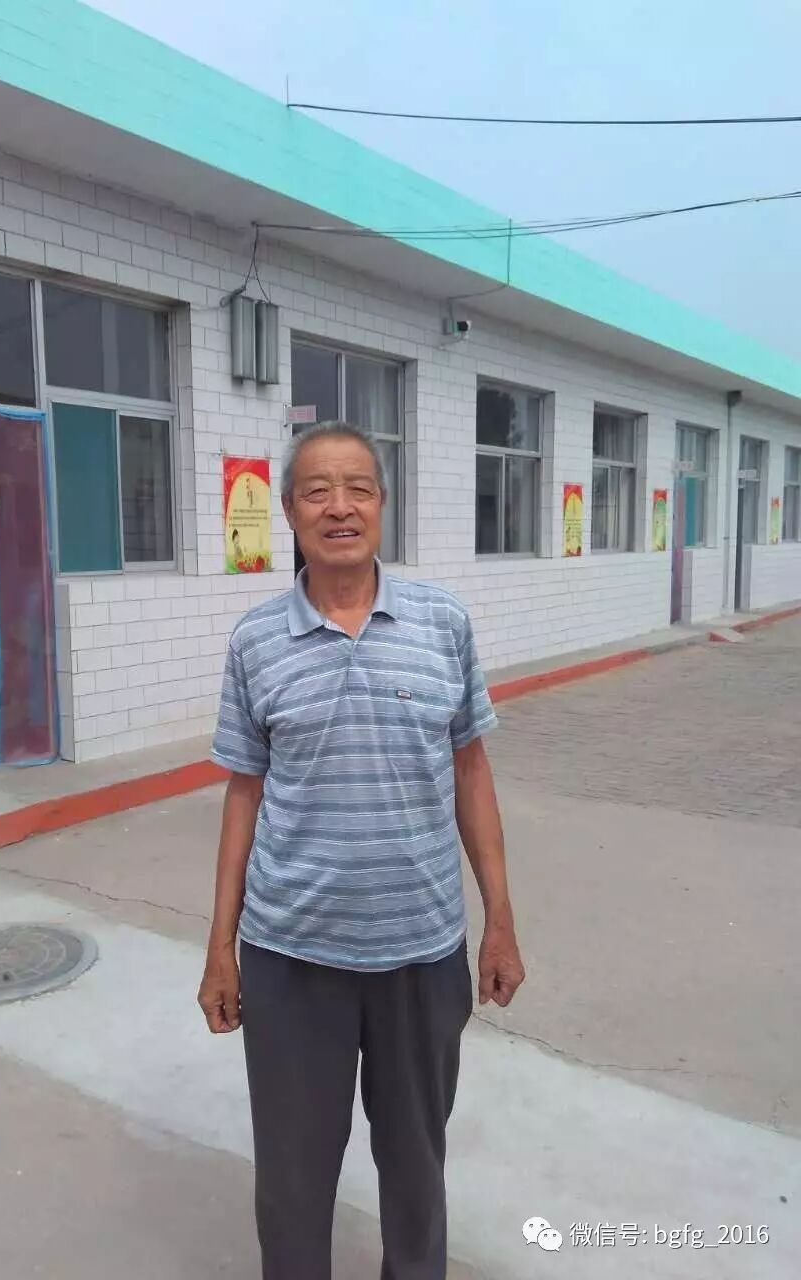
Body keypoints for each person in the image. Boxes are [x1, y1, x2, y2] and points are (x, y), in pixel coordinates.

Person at [198, 421, 524, 1280]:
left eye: (358, 489)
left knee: (416, 1170)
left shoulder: (441, 623)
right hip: (291, 955)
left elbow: (471, 771)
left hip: (420, 951)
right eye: (317, 491)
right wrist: (220, 948)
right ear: (289, 512)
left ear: (382, 503)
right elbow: (243, 795)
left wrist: (500, 921)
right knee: (292, 1180)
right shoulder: (256, 641)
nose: (338, 507)